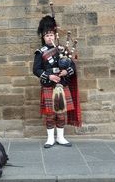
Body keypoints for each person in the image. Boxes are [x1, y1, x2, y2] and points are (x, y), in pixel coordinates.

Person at [33, 15, 82, 148]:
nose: (49, 37)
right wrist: (49, 77)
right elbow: (36, 70)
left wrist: (67, 71)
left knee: (61, 114)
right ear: (43, 37)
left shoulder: (62, 50)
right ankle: (50, 139)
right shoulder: (40, 53)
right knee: (50, 115)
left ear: (55, 36)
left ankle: (60, 137)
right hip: (49, 86)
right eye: (46, 35)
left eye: (51, 35)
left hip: (62, 85)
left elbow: (72, 66)